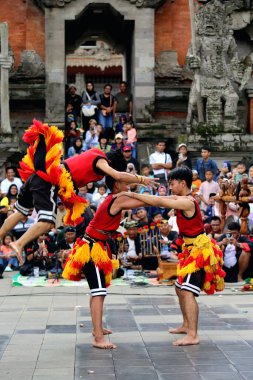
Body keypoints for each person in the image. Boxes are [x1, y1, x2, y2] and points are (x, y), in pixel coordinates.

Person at [0, 119, 158, 263]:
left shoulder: (96, 162)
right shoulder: (100, 159)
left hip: (37, 178)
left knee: (20, 212)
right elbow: (117, 175)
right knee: (47, 223)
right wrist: (142, 179)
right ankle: (18, 243)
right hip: (49, 181)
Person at [115, 166, 225, 346]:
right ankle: (186, 324)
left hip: (199, 252)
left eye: (172, 184)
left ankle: (193, 334)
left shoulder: (188, 202)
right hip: (190, 250)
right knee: (179, 287)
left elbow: (159, 201)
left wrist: (132, 195)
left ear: (183, 183)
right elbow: (163, 198)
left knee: (188, 292)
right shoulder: (181, 198)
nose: (171, 187)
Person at [62, 156, 158, 349]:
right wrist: (174, 201)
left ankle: (97, 329)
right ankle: (98, 337)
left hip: (94, 246)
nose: (129, 184)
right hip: (91, 248)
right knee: (98, 291)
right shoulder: (118, 198)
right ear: (116, 184)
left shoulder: (113, 197)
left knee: (97, 290)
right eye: (126, 182)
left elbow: (140, 198)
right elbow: (146, 201)